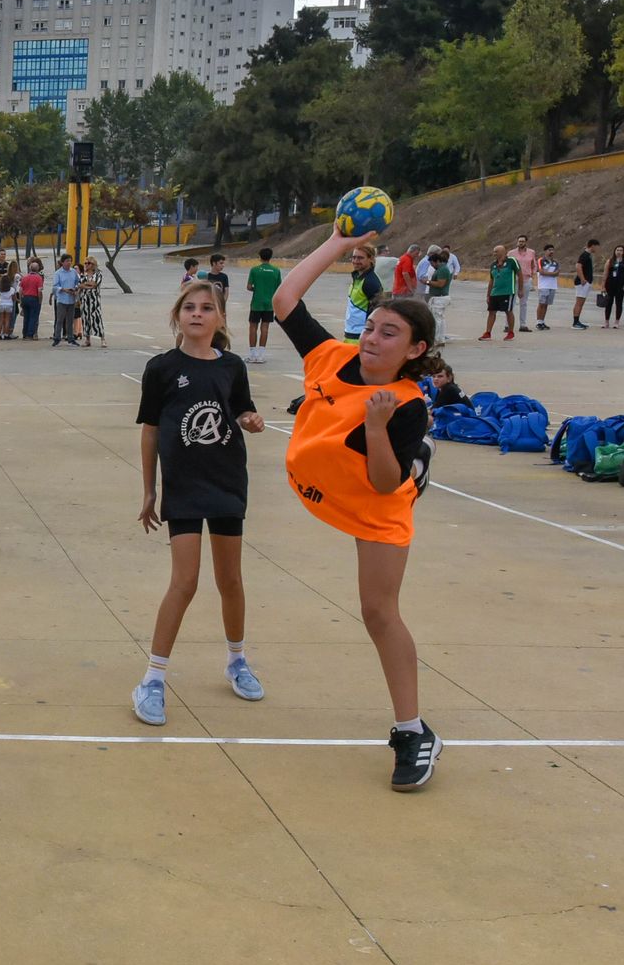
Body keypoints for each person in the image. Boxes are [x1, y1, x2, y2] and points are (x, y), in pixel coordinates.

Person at [272, 227, 444, 791]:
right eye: (371, 326)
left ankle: (413, 731)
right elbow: (285, 301)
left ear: (415, 350)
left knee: (379, 613)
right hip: (326, 490)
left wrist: (375, 425)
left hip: (377, 506)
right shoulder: (330, 357)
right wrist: (335, 244)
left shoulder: (406, 405)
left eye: (389, 333)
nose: (373, 338)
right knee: (376, 611)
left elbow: (383, 480)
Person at [130, 279, 267, 727]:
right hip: (185, 487)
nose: (197, 314)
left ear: (220, 319)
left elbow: (242, 409)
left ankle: (237, 661)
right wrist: (150, 488)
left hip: (227, 482)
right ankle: (152, 678)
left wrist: (250, 419)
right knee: (184, 582)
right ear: (177, 316)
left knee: (231, 580)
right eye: (189, 307)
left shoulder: (231, 366)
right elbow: (150, 428)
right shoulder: (162, 368)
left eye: (207, 308)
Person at [245, 247, 282, 363]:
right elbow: (279, 288)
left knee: (253, 327)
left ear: (260, 257)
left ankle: (252, 354)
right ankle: (261, 355)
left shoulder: (255, 270)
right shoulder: (276, 271)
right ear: (270, 257)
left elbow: (249, 287)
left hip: (257, 303)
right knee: (265, 328)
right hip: (269, 304)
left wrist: (257, 289)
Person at [343, 242, 383, 342]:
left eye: (360, 258)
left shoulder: (371, 282)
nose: (355, 261)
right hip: (350, 334)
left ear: (371, 259)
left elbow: (378, 312)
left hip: (361, 337)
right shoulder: (357, 278)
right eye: (354, 257)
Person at [479, 244, 520, 341]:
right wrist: (488, 294)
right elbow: (491, 280)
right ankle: (488, 332)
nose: (494, 254)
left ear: (502, 252)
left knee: (508, 311)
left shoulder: (511, 261)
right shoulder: (493, 264)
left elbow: (520, 274)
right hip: (495, 292)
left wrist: (521, 289)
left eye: (496, 252)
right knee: (491, 311)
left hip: (507, 291)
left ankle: (510, 332)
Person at [49, 253, 80, 347]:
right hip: (62, 299)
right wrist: (63, 289)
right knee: (60, 320)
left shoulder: (74, 272)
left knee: (70, 320)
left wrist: (75, 289)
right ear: (62, 262)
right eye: (67, 261)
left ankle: (71, 338)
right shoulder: (58, 273)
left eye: (70, 261)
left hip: (71, 299)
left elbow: (78, 283)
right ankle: (57, 338)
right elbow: (55, 286)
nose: (69, 263)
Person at [509, 235, 537, 334]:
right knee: (511, 302)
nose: (521, 243)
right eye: (519, 241)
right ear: (517, 242)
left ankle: (523, 325)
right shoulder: (511, 253)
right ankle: (508, 325)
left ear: (526, 242)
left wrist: (532, 276)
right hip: (514, 279)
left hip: (526, 279)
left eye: (523, 241)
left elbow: (534, 265)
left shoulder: (531, 252)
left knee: (523, 303)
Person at [425, 247, 452, 347]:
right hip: (440, 297)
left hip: (440, 297)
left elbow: (440, 284)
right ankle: (440, 339)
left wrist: (427, 282)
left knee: (437, 319)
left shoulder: (442, 270)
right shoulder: (442, 269)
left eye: (432, 263)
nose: (432, 266)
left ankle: (437, 339)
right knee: (440, 318)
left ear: (437, 261)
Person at [78, 256, 105, 348]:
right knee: (85, 319)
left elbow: (94, 284)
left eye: (88, 263)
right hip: (84, 299)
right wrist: (86, 285)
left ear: (93, 264)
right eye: (85, 263)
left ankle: (102, 339)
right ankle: (87, 339)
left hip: (94, 299)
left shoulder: (98, 274)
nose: (86, 265)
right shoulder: (83, 275)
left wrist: (85, 285)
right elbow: (80, 285)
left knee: (97, 318)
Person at [572, 239, 599, 331]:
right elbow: (578, 266)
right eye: (596, 246)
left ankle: (577, 320)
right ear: (592, 246)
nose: (597, 249)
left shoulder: (588, 255)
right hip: (582, 282)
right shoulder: (585, 255)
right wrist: (582, 279)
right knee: (579, 302)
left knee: (581, 303)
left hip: (586, 282)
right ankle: (575, 322)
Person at [602, 245, 624, 329]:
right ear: (614, 251)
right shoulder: (610, 261)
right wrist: (603, 286)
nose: (619, 252)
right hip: (610, 283)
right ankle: (606, 321)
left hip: (621, 284)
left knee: (619, 303)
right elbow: (605, 273)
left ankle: (617, 322)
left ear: (623, 252)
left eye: (621, 250)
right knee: (608, 303)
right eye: (617, 250)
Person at [534, 245, 560, 330]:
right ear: (545, 251)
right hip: (543, 286)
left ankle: (542, 321)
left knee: (546, 305)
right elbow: (541, 272)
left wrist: (548, 273)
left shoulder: (555, 262)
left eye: (552, 250)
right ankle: (538, 322)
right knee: (541, 304)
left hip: (552, 286)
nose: (551, 252)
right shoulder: (541, 260)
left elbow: (557, 272)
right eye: (549, 250)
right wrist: (552, 274)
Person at [18, 258, 44, 340]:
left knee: (26, 317)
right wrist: (40, 300)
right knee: (33, 317)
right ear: (37, 269)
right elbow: (39, 291)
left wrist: (21, 300)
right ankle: (30, 334)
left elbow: (20, 290)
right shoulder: (38, 278)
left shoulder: (24, 278)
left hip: (25, 298)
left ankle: (24, 333)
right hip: (34, 298)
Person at [0, 256, 19, 339]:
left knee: (1, 319)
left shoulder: (1, 289)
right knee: (8, 319)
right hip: (9, 304)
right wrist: (18, 300)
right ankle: (7, 333)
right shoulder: (13, 287)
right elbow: (14, 297)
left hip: (1, 304)